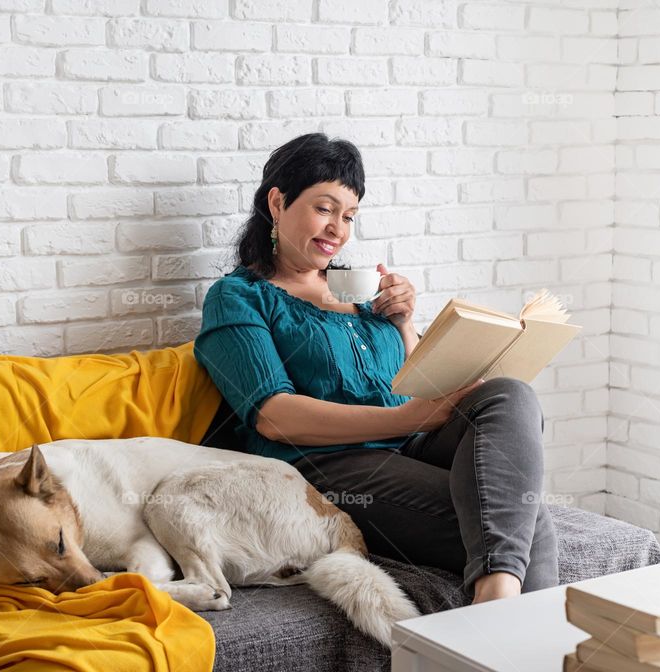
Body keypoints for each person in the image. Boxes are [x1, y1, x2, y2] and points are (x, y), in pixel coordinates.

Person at [194, 132, 558, 604]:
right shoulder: (238, 297)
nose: (337, 230)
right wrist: (405, 419)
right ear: (278, 202)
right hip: (330, 467)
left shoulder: (357, 287)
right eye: (325, 209)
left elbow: (415, 382)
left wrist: (406, 325)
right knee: (530, 523)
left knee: (509, 394)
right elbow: (273, 415)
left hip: (414, 444)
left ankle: (495, 607)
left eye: (348, 216)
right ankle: (501, 608)